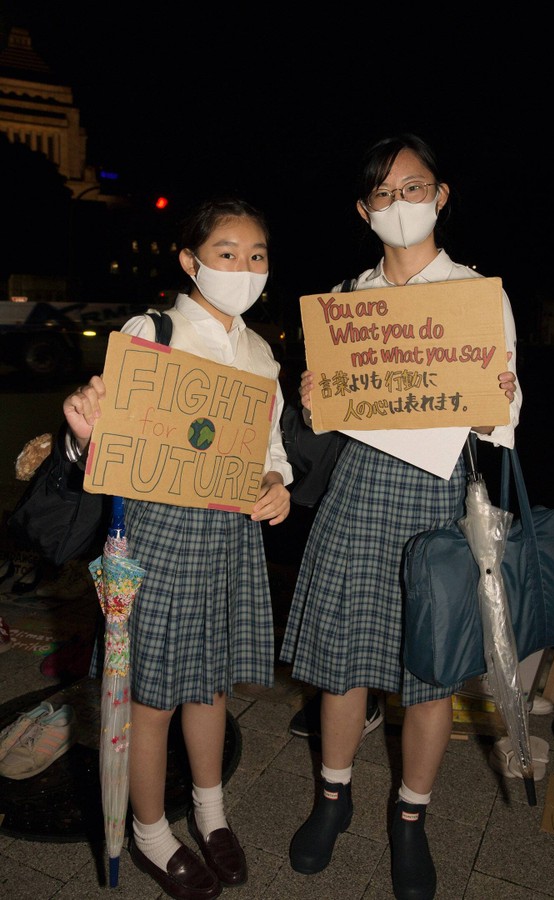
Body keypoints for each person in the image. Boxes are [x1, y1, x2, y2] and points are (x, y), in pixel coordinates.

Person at [279, 134, 521, 900]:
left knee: (429, 674)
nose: (399, 206)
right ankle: (333, 797)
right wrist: (315, 402)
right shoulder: (348, 302)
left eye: (413, 189)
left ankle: (410, 818)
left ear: (441, 195)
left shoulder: (478, 295)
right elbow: (326, 420)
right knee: (344, 660)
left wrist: (501, 395)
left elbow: (503, 422)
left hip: (438, 497)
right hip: (359, 494)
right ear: (364, 210)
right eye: (382, 195)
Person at [63, 197, 292, 900]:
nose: (244, 268)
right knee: (151, 696)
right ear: (190, 261)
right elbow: (102, 447)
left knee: (211, 681)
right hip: (159, 535)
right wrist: (81, 431)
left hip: (229, 534)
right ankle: (151, 830)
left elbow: (270, 448)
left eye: (256, 255)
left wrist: (276, 483)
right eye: (227, 252)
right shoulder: (152, 330)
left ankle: (211, 811)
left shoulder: (261, 353)